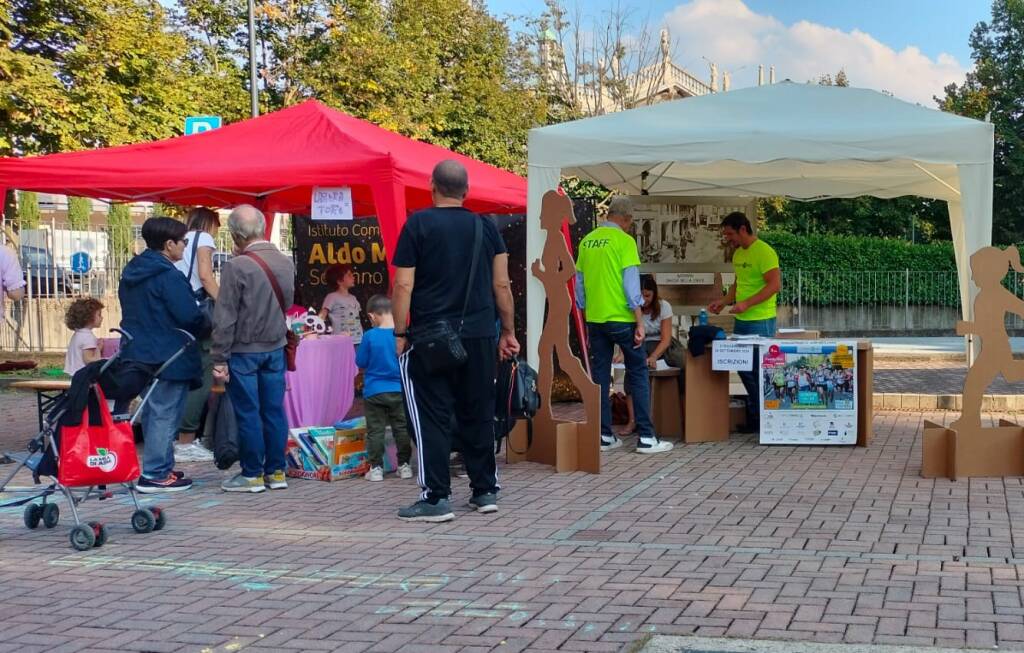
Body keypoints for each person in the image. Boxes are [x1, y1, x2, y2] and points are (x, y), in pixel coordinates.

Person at [392, 159, 519, 522]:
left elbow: (403, 285)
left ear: (431, 185)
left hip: (431, 336)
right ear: (467, 191)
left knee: (432, 415)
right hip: (479, 333)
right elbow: (501, 285)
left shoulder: (418, 223)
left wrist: (400, 332)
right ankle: (484, 490)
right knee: (478, 410)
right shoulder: (486, 226)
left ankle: (436, 497)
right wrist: (508, 331)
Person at [119, 217, 210, 493]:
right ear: (168, 244)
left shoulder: (133, 270)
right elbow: (188, 315)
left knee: (154, 411)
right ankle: (156, 473)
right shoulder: (167, 275)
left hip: (139, 350)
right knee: (164, 413)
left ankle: (162, 466)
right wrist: (207, 320)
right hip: (169, 352)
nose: (185, 246)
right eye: (183, 241)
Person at [576, 196, 672, 454]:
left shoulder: (587, 241)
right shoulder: (625, 241)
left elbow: (580, 287)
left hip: (595, 319)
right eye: (630, 222)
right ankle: (647, 438)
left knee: (599, 377)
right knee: (638, 373)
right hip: (622, 318)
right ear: (626, 219)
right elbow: (632, 288)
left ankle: (604, 436)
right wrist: (639, 321)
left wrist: (587, 318)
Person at [212, 205, 295, 493]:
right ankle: (277, 471)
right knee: (274, 410)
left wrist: (219, 357)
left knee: (248, 412)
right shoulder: (285, 262)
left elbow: (225, 316)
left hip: (244, 349)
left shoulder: (236, 266)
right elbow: (286, 303)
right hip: (276, 346)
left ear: (235, 235)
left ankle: (252, 474)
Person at [709, 211, 781, 433]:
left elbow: (774, 285)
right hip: (742, 320)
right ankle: (758, 415)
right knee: (743, 368)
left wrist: (747, 303)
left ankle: (766, 419)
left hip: (761, 320)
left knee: (760, 371)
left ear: (743, 229)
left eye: (730, 233)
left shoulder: (765, 252)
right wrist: (724, 301)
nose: (728, 238)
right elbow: (739, 284)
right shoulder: (738, 254)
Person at [173, 207, 221, 463]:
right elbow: (205, 275)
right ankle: (186, 440)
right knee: (203, 371)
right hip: (198, 314)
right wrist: (225, 302)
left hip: (177, 313)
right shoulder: (203, 238)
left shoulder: (178, 241)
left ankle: (179, 435)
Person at [355, 294, 413, 482]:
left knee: (376, 430)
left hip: (374, 391)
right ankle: (404, 466)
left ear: (372, 317)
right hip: (399, 389)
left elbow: (360, 361)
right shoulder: (402, 336)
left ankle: (376, 468)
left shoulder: (370, 336)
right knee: (401, 428)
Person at [617, 274, 681, 435]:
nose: (644, 300)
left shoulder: (664, 306)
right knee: (630, 376)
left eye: (648, 296)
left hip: (660, 346)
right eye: (641, 296)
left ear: (654, 294)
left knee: (682, 364)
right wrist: (621, 353)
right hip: (638, 345)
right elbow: (625, 335)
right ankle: (632, 421)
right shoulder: (630, 307)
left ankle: (678, 412)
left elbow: (666, 339)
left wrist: (653, 356)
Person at [319, 263, 363, 343]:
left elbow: (357, 319)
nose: (353, 277)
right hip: (340, 342)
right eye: (349, 275)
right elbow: (322, 316)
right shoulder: (332, 297)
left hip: (358, 340)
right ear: (339, 281)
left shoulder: (353, 298)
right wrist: (318, 332)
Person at [64, 297, 104, 376]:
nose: (102, 317)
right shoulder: (88, 337)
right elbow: (89, 361)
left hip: (73, 374)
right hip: (83, 378)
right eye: (99, 315)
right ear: (89, 318)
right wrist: (99, 349)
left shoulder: (78, 334)